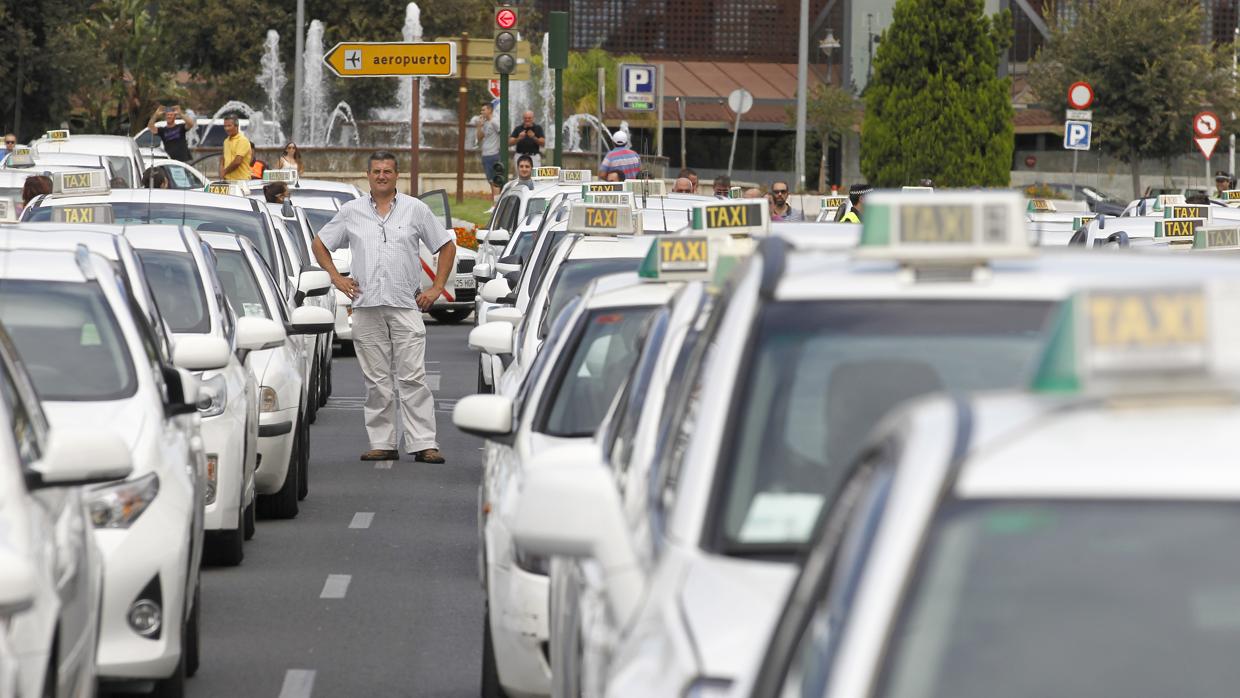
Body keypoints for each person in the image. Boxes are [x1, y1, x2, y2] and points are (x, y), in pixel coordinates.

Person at [311, 151, 456, 464]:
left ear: (396, 175)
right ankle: (383, 442)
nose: (381, 176)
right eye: (376, 171)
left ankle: (424, 443)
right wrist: (336, 278)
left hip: (405, 304)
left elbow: (446, 246)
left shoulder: (416, 210)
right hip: (366, 306)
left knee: (413, 377)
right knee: (376, 380)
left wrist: (437, 287)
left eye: (387, 171)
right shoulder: (351, 212)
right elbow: (320, 242)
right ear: (368, 175)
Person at [475, 103, 501, 197]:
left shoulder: (495, 121)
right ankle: (494, 204)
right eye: (481, 110)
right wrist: (479, 126)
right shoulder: (485, 123)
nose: (481, 112)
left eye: (483, 110)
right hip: (485, 155)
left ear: (490, 110)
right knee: (490, 181)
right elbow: (479, 138)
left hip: (493, 154)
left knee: (495, 181)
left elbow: (503, 134)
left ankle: (496, 204)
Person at [219, 117, 253, 181]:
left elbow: (237, 161)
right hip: (228, 180)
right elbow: (222, 158)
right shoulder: (226, 141)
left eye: (229, 126)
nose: (226, 128)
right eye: (225, 126)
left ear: (236, 126)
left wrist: (224, 172)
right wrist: (221, 171)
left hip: (241, 181)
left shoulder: (242, 140)